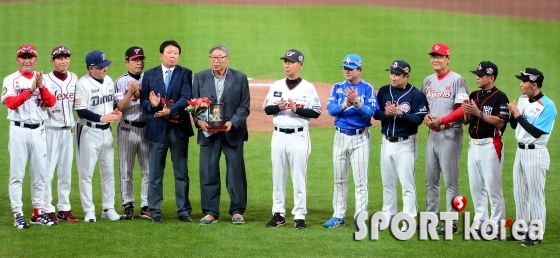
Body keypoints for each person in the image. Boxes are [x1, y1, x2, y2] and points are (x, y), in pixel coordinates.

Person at [262, 49, 321, 229]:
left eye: (291, 62)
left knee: (298, 176)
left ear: (300, 65)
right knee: (278, 176)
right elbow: (266, 109)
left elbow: (316, 112)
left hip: (299, 136)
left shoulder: (308, 87)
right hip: (278, 135)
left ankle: (299, 215)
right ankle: (278, 214)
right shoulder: (277, 85)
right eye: (286, 61)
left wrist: (297, 110)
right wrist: (277, 107)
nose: (287, 65)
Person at [191, 44, 250, 225]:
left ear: (228, 59)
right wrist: (199, 122)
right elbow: (194, 105)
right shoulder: (200, 77)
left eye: (219, 57)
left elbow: (244, 105)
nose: (215, 60)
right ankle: (210, 212)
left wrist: (232, 122)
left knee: (235, 173)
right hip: (208, 134)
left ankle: (237, 211)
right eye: (212, 57)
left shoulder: (239, 78)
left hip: (232, 132)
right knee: (208, 172)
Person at [2, 44, 57, 228]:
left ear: (35, 60)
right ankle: (17, 213)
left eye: (30, 57)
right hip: (19, 131)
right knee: (17, 174)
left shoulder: (44, 79)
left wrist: (40, 87)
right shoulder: (11, 80)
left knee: (40, 173)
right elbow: (11, 103)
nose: (27, 60)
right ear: (17, 59)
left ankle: (38, 212)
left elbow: (51, 102)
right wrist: (30, 90)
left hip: (40, 131)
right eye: (23, 57)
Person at [140, 40, 194, 223]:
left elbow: (186, 97)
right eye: (169, 52)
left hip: (179, 128)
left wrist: (170, 110)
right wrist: (153, 106)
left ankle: (184, 210)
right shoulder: (149, 74)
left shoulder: (185, 73)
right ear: (161, 55)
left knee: (181, 172)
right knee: (155, 172)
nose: (173, 56)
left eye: (176, 53)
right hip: (157, 129)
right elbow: (143, 101)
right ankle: (154, 209)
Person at [323, 54, 377, 229]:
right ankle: (338, 216)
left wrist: (357, 103)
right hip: (340, 137)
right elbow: (331, 110)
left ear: (359, 70)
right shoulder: (337, 87)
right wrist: (346, 104)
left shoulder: (367, 89)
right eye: (345, 67)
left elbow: (371, 113)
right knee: (339, 179)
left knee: (360, 181)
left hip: (360, 138)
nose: (346, 70)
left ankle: (360, 218)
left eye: (350, 68)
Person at [374, 60, 428, 231]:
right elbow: (376, 114)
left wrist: (401, 114)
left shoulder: (415, 95)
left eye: (397, 74)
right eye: (391, 73)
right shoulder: (383, 91)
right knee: (387, 183)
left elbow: (419, 119)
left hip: (406, 143)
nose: (393, 77)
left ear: (406, 76)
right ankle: (388, 215)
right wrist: (387, 114)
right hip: (386, 142)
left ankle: (409, 218)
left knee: (407, 184)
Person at [422, 43, 469, 235]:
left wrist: (443, 120)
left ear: (448, 58)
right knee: (430, 180)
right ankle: (430, 220)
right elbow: (424, 106)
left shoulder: (457, 79)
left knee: (450, 181)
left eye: (440, 56)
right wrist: (425, 116)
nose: (436, 59)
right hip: (432, 135)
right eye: (433, 56)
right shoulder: (427, 81)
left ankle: (451, 222)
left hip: (450, 134)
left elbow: (462, 109)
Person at [507, 68, 556, 246]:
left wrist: (518, 115)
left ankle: (536, 234)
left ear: (534, 84)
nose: (520, 83)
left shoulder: (548, 106)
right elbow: (515, 126)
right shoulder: (523, 99)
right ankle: (521, 230)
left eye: (524, 81)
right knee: (519, 193)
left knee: (535, 195)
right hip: (520, 152)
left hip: (536, 152)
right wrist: (513, 113)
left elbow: (535, 132)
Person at [74, 50, 123, 222]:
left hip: (106, 132)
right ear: (91, 68)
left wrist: (115, 111)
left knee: (108, 172)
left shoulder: (108, 81)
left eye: (105, 66)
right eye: (101, 67)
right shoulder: (82, 84)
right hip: (88, 132)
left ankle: (108, 208)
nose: (105, 70)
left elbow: (112, 102)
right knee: (86, 174)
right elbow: (80, 110)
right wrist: (101, 117)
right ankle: (89, 211)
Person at [462, 61, 509, 237]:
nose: (477, 78)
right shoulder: (474, 94)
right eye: (477, 75)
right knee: (476, 186)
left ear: (491, 77)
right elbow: (466, 121)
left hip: (491, 145)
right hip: (473, 144)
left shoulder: (500, 97)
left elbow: (501, 121)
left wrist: (478, 113)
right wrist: (467, 111)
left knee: (493, 187)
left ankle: (497, 226)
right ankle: (480, 220)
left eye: (481, 76)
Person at [43, 46, 80, 224]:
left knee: (65, 171)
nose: (63, 61)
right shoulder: (45, 79)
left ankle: (64, 208)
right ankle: (46, 208)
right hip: (50, 130)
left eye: (66, 57)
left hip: (68, 131)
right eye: (59, 58)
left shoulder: (74, 78)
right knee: (48, 171)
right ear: (52, 61)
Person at [114, 46, 151, 220]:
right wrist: (130, 93)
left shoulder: (149, 78)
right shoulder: (121, 81)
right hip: (127, 128)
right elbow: (119, 108)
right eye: (135, 60)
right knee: (126, 170)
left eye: (141, 59)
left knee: (148, 170)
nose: (139, 63)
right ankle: (127, 205)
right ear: (126, 62)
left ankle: (146, 205)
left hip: (146, 129)